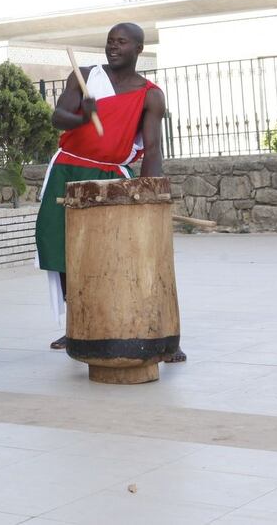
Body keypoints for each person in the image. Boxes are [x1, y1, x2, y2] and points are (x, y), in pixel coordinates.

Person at [36, 23, 185, 363]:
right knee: (60, 248)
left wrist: (149, 194)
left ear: (139, 49)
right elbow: (58, 117)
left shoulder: (150, 95)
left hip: (112, 176)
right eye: (109, 42)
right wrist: (82, 118)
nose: (113, 47)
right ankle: (78, 323)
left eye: (122, 42)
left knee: (127, 252)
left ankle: (160, 332)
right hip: (67, 171)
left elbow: (153, 149)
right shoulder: (86, 76)